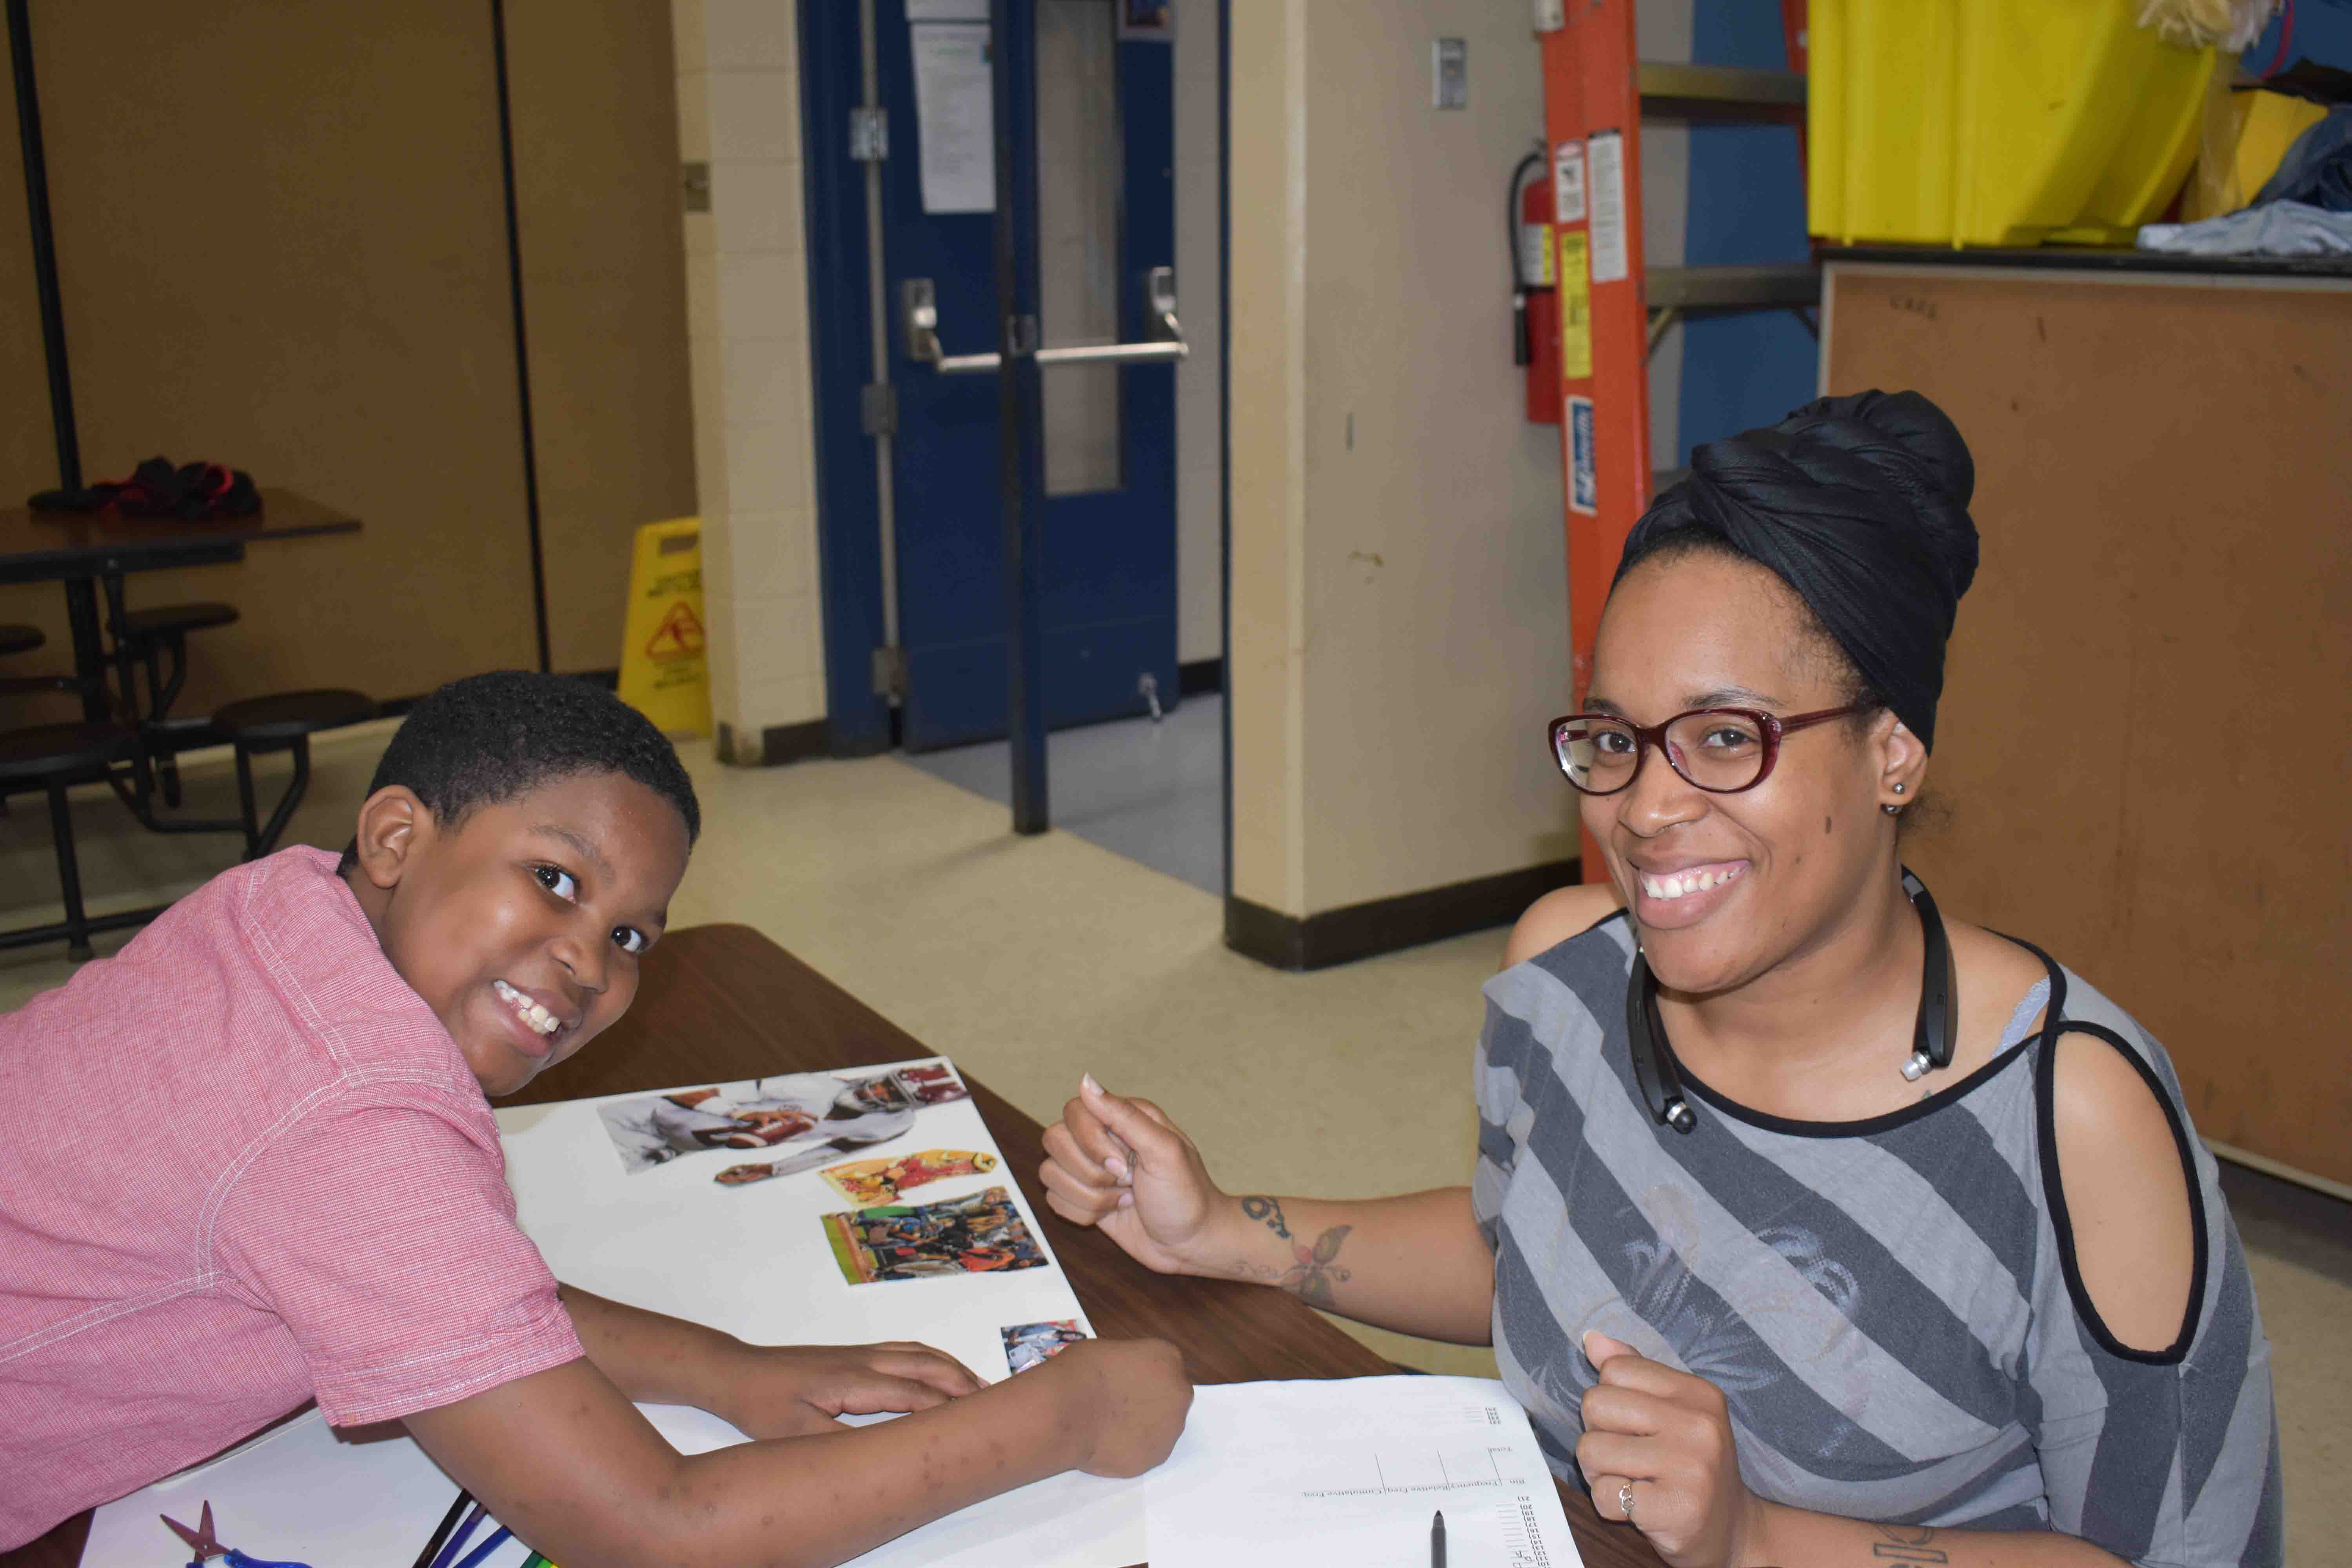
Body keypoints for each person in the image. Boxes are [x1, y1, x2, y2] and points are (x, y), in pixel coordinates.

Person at [1042, 392, 2281, 1568]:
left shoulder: (2071, 1117)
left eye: (1727, 737)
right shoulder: (1569, 971)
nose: (1645, 807)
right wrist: (1222, 1230)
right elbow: (1528, 1259)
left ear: (1893, 753)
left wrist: (1761, 1538)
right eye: (1616, 739)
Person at [0, 671, 1190, 1560]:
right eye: (556, 880)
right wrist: (1065, 1416)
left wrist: (728, 1370)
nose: (585, 962)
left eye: (629, 937)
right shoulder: (351, 1113)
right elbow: (653, 1531)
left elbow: (445, 1280)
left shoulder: (278, 917)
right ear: (398, 836)